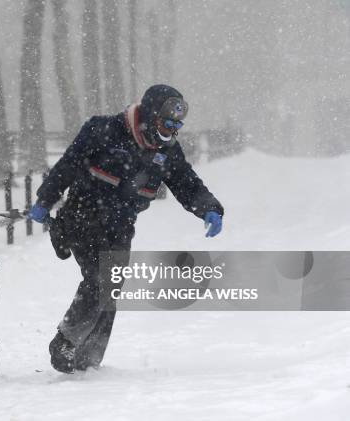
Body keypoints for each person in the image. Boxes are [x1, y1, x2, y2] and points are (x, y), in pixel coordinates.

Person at [28, 84, 224, 373]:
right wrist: (45, 198)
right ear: (149, 115)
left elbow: (186, 183)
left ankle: (88, 358)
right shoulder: (103, 130)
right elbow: (68, 165)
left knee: (112, 284)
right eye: (165, 123)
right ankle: (66, 342)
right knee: (99, 278)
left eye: (176, 125)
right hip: (82, 216)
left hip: (120, 225)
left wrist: (209, 208)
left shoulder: (167, 151)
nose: (171, 130)